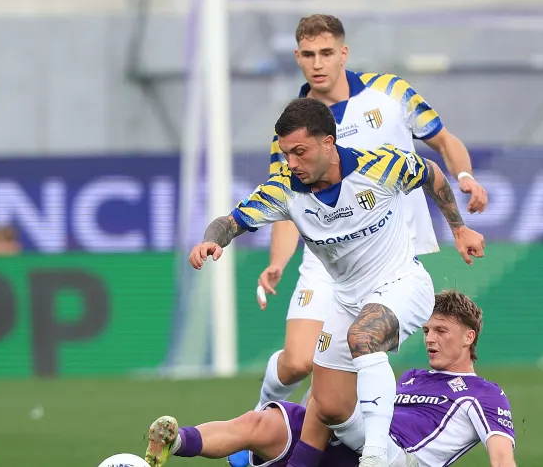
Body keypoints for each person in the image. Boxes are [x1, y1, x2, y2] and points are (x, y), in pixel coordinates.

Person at [188, 97, 485, 467]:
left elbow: (432, 175)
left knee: (364, 336)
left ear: (328, 143)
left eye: (300, 152)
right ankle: (398, 460)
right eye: (286, 155)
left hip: (403, 284)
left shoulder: (381, 166)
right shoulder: (283, 190)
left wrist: (459, 228)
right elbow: (231, 221)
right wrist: (210, 240)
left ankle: (376, 455)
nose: (292, 163)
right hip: (346, 301)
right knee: (329, 407)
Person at [249, 13, 488, 428]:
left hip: (390, 253)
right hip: (328, 259)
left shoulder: (391, 92)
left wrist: (464, 177)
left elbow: (444, 142)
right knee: (298, 362)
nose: (318, 63)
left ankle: (292, 443)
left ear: (344, 53)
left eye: (326, 53)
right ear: (297, 58)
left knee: (344, 371)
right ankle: (259, 417)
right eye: (308, 55)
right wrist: (278, 262)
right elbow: (286, 203)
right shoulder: (292, 130)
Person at [143, 290, 516, 467]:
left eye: (442, 331)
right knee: (262, 421)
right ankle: (175, 443)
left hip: (392, 457)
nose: (431, 338)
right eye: (428, 330)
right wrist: (299, 421)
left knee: (333, 388)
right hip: (357, 443)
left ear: (469, 337)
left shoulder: (484, 393)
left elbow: (502, 458)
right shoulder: (414, 377)